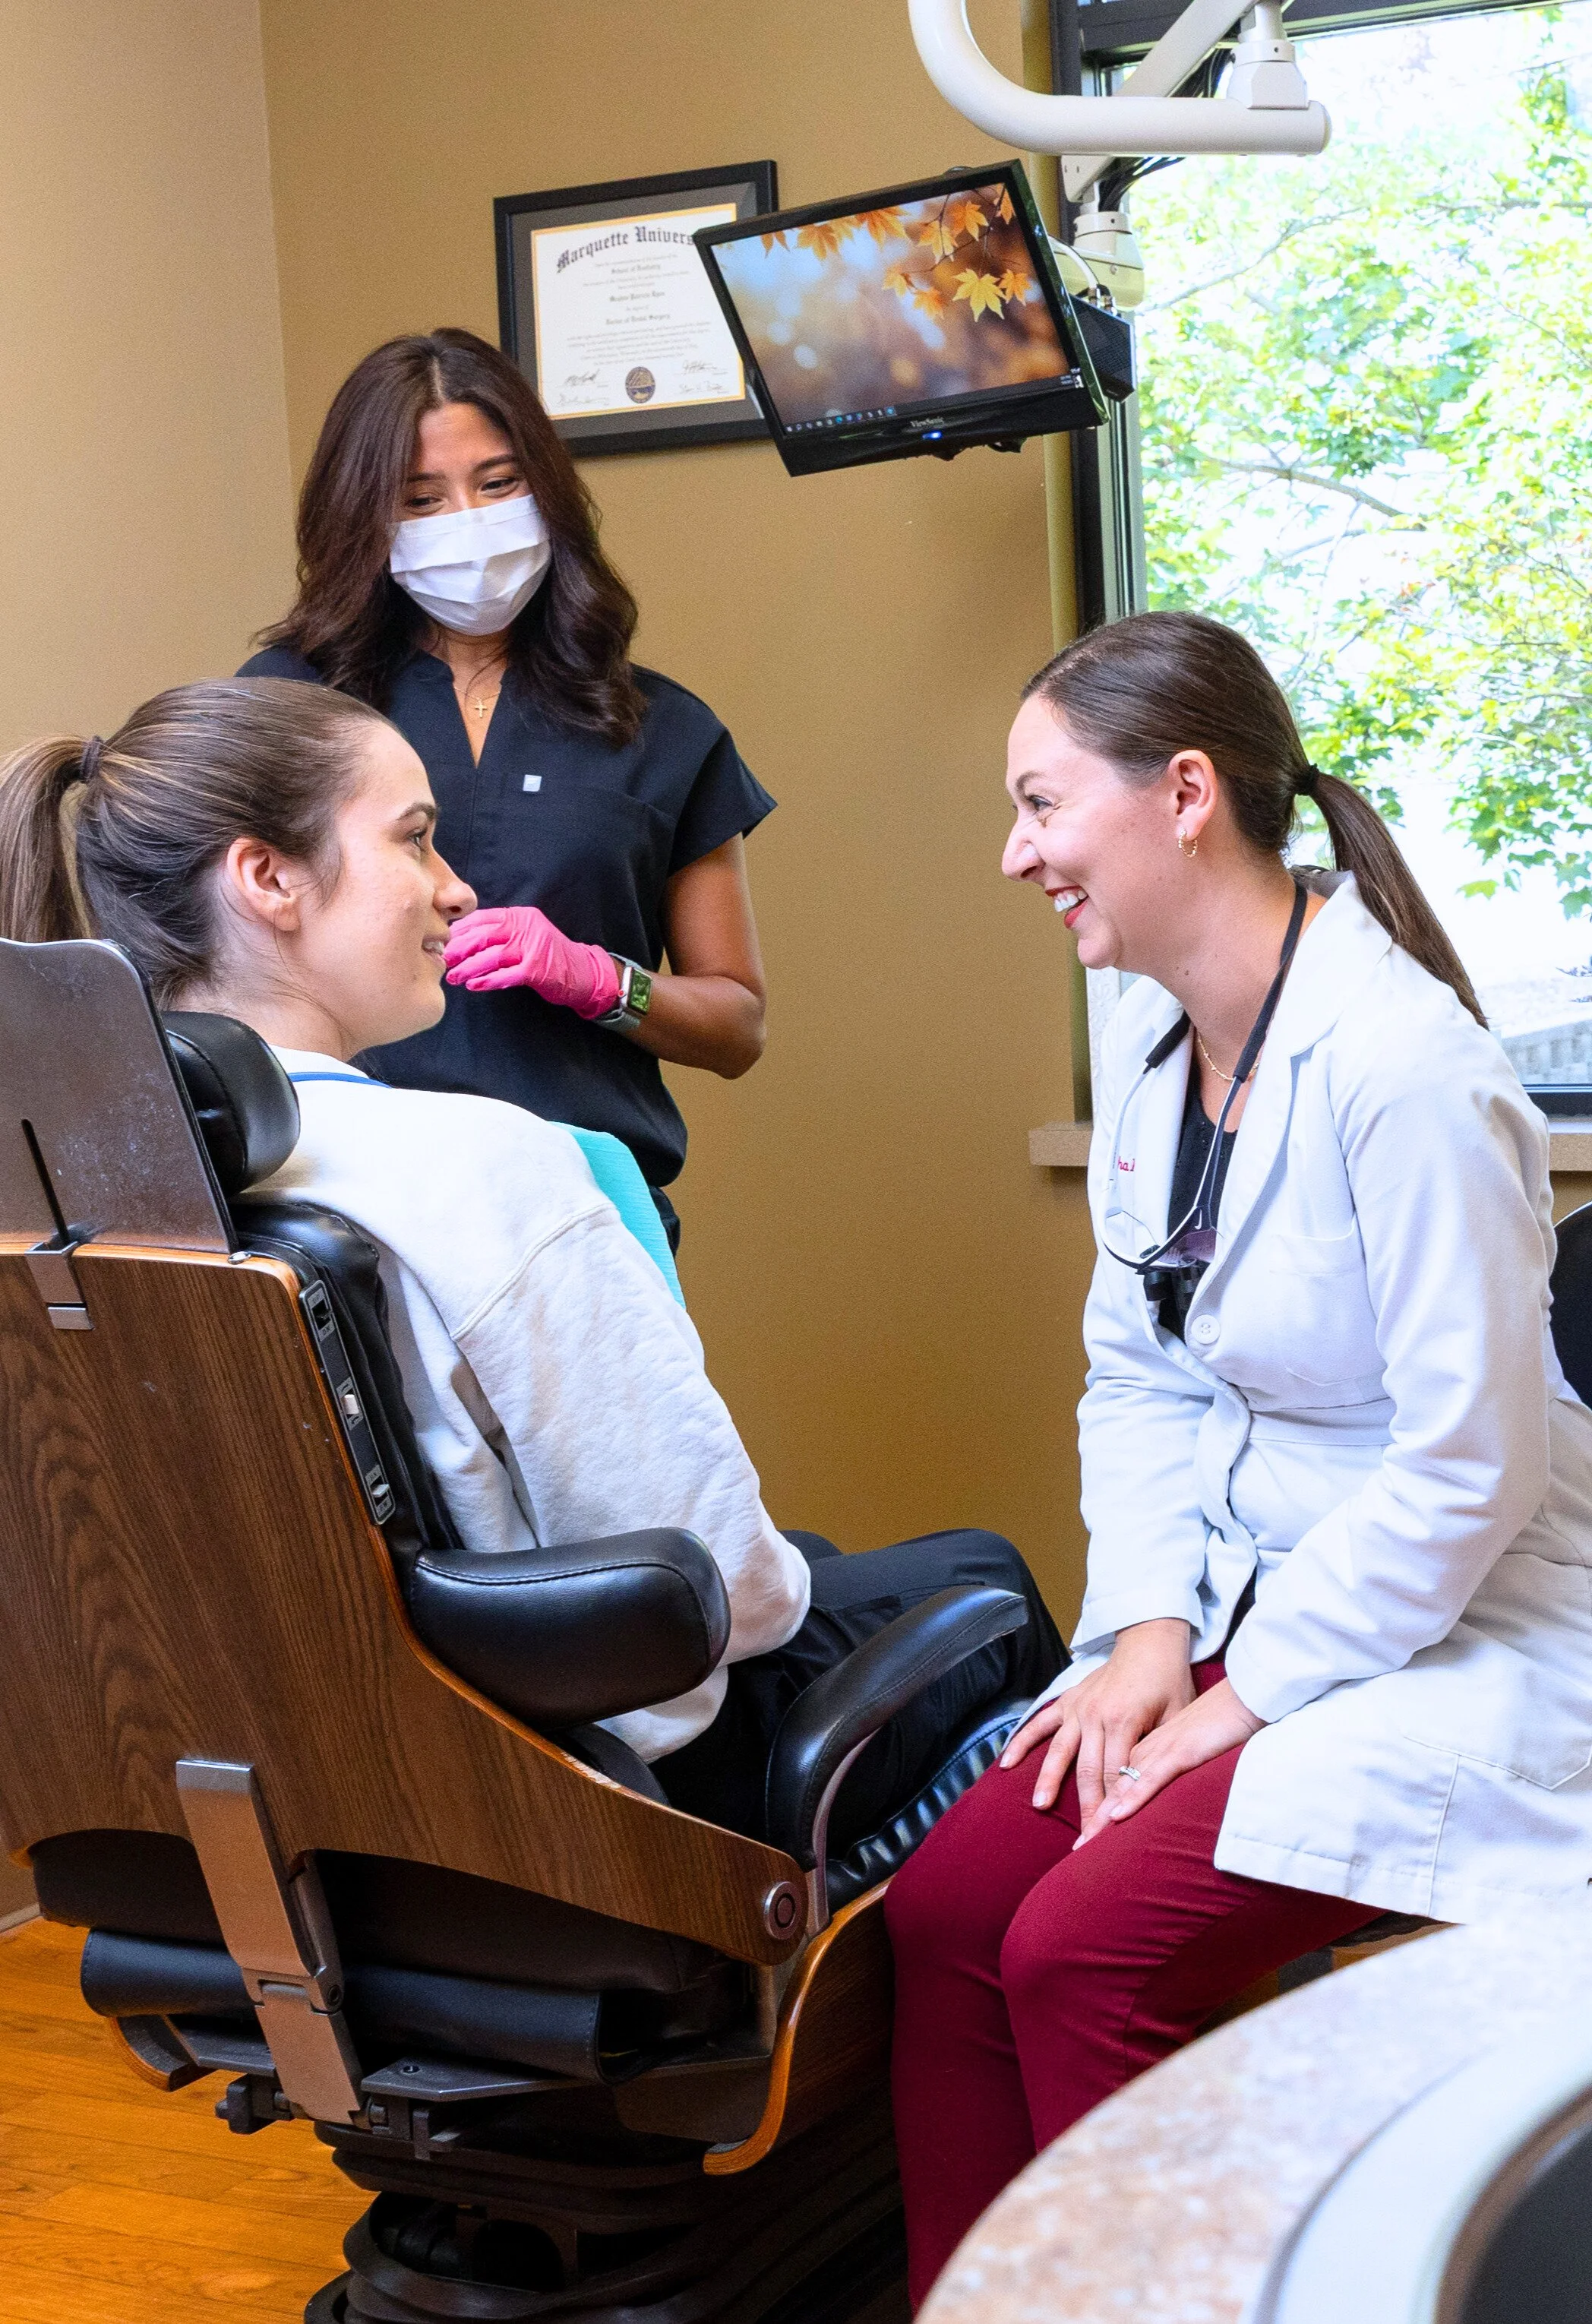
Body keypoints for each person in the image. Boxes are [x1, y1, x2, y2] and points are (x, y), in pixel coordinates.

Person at [0, 676, 1062, 1844]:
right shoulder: (481, 1166)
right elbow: (733, 1597)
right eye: (414, 837)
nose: (456, 886)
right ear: (270, 879)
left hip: (307, 1795)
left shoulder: (75, 1197)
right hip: (588, 1801)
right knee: (989, 1583)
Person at [884, 609, 1592, 2305]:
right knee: (942, 1909)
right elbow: (1138, 1381)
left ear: (1183, 791)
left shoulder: (1404, 1068)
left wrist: (1231, 1694)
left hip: (1471, 1614)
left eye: (1041, 803)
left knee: (1074, 1950)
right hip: (1248, 1593)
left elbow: (1466, 1468)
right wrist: (1140, 1639)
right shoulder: (1153, 1058)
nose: (1015, 852)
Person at [241, 327, 774, 1253]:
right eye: (420, 499)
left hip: (581, 1212)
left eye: (497, 484)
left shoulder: (658, 728)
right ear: (362, 515)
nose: (468, 521)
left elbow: (735, 1027)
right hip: (341, 1206)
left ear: (547, 490)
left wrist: (599, 980)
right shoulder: (285, 704)